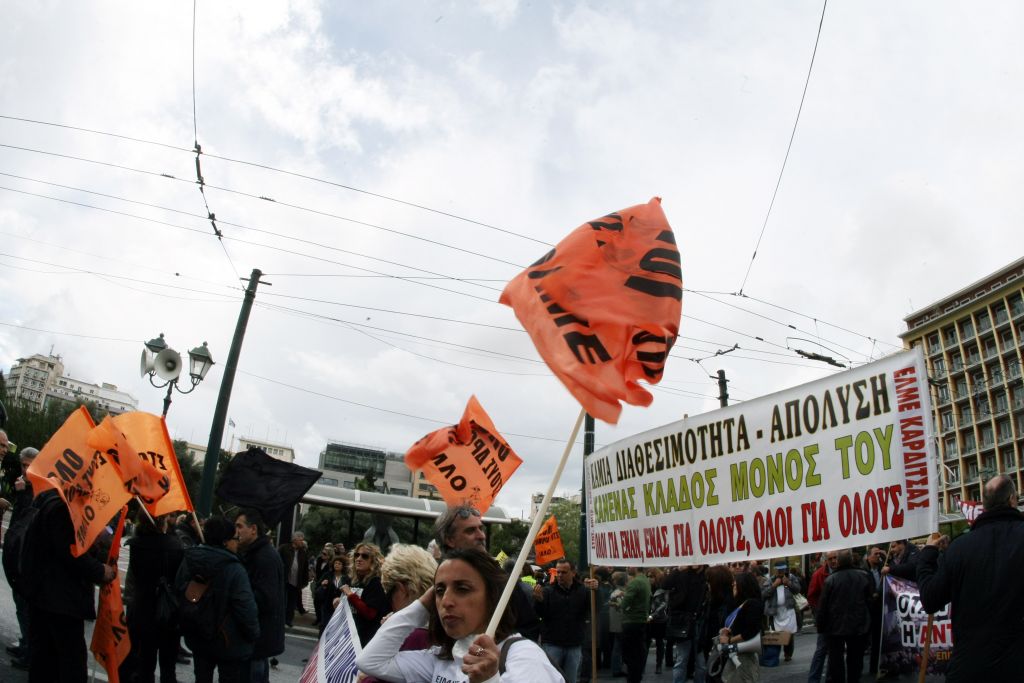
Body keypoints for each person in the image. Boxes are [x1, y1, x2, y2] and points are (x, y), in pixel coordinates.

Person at [356, 547, 563, 683]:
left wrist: (489, 679)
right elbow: (371, 661)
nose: (446, 601)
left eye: (462, 589)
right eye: (439, 591)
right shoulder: (442, 657)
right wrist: (423, 606)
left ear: (493, 597)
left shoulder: (524, 657)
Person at [918, 474, 1024, 680]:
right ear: (1012, 499)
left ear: (984, 505)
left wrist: (927, 555)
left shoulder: (959, 548)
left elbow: (930, 599)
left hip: (969, 668)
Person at [24, 487, 118, 682]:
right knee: (68, 664)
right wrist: (100, 571)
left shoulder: (58, 503)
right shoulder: (63, 508)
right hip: (60, 601)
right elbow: (71, 553)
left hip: (49, 598)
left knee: (45, 661)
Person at [433, 504, 540, 640]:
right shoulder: (436, 580)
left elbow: (528, 628)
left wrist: (493, 647)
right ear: (450, 539)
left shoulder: (501, 580)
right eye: (470, 531)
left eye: (481, 528)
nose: (481, 536)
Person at [176, 516, 260, 683]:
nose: (237, 542)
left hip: (197, 634)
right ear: (225, 542)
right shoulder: (234, 569)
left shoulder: (191, 559)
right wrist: (253, 634)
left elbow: (179, 590)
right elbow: (245, 607)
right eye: (235, 538)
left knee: (201, 677)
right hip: (227, 640)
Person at [121, 511, 185, 683]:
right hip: (168, 610)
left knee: (145, 662)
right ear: (162, 522)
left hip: (143, 608)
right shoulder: (175, 546)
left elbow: (135, 576)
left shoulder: (136, 545)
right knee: (168, 665)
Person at [362, 542, 439, 683]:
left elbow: (369, 666)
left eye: (388, 594)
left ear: (401, 589)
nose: (390, 604)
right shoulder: (444, 630)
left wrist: (365, 678)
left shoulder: (411, 637)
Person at [235, 509, 285, 683]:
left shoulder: (264, 557)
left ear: (253, 529)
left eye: (240, 526)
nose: (236, 531)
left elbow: (265, 599)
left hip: (257, 638)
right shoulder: (256, 553)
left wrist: (238, 596)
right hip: (256, 638)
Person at [2, 445, 37, 669]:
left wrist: (23, 493)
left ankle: (30, 652)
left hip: (26, 558)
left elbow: (28, 519)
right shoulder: (25, 485)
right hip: (16, 554)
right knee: (19, 603)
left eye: (29, 465)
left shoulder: (37, 488)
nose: (25, 470)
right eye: (23, 465)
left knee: (25, 607)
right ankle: (25, 643)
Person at [815, 549, 871, 683]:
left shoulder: (831, 580)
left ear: (838, 562)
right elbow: (869, 600)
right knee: (855, 659)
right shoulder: (864, 576)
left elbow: (823, 606)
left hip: (835, 626)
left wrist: (821, 626)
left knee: (836, 660)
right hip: (858, 625)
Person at [533, 558, 591, 683]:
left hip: (574, 643)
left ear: (573, 573)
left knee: (571, 679)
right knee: (551, 679)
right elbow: (541, 614)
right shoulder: (548, 590)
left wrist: (595, 591)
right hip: (552, 643)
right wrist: (539, 602)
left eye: (564, 572)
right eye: (558, 572)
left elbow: (594, 608)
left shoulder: (583, 590)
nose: (559, 575)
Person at [663, 564, 708, 683]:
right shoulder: (682, 574)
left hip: (700, 621)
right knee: (682, 659)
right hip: (683, 621)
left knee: (701, 663)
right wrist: (678, 569)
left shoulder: (708, 575)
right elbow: (665, 584)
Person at [715, 571, 762, 683]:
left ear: (743, 586)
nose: (733, 587)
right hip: (737, 652)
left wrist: (729, 640)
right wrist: (728, 631)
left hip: (744, 654)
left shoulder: (753, 604)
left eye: (735, 584)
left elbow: (750, 631)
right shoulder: (743, 603)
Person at [344, 542, 391, 646]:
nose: (359, 559)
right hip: (351, 636)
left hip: (367, 639)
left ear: (373, 561)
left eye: (364, 556)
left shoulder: (377, 583)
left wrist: (351, 596)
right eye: (357, 555)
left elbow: (370, 613)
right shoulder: (353, 580)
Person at [805, 550, 837, 683]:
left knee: (835, 651)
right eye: (831, 558)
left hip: (839, 618)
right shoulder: (819, 574)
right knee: (821, 649)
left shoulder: (842, 571)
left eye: (835, 558)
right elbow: (811, 596)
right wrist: (820, 612)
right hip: (826, 618)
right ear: (826, 560)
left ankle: (830, 678)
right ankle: (813, 679)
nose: (834, 561)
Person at [701, 565, 735, 683]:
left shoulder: (728, 604)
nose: (707, 584)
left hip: (721, 650)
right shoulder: (711, 600)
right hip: (711, 647)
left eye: (709, 581)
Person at [762, 561, 800, 662]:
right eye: (778, 570)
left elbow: (797, 589)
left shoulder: (791, 577)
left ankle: (788, 654)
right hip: (775, 612)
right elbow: (763, 594)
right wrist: (774, 585)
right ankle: (775, 654)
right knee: (775, 633)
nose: (780, 572)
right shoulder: (770, 580)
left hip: (788, 610)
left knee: (789, 633)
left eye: (782, 570)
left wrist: (788, 583)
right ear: (775, 570)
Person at [620, 566, 651, 683]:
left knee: (630, 656)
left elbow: (624, 604)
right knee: (638, 654)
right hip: (641, 621)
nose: (627, 567)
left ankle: (633, 679)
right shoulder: (645, 580)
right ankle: (636, 677)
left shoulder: (635, 582)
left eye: (630, 565)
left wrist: (618, 602)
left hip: (631, 622)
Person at [277, 531, 310, 628]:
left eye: (302, 540)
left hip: (296, 581)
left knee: (292, 602)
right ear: (294, 540)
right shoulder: (284, 548)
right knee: (283, 600)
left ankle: (288, 620)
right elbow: (277, 561)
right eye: (300, 540)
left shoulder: (303, 552)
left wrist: (304, 581)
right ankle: (280, 619)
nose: (302, 542)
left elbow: (305, 568)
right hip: (285, 579)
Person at [864, 545, 885, 676]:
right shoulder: (863, 571)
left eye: (879, 554)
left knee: (878, 639)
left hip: (880, 609)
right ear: (868, 557)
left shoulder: (883, 568)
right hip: (868, 610)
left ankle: (875, 666)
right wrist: (871, 597)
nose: (878, 556)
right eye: (875, 554)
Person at [646, 568, 671, 675]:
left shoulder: (663, 589)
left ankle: (659, 665)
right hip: (648, 618)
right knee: (646, 642)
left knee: (659, 642)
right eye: (648, 576)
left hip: (659, 619)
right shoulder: (647, 587)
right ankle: (643, 665)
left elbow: (664, 604)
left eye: (651, 576)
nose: (649, 578)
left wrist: (652, 615)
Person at [316, 557, 350, 633]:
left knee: (335, 625)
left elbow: (349, 589)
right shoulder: (327, 575)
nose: (337, 565)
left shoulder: (346, 578)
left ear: (343, 566)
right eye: (335, 563)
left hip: (339, 605)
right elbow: (318, 586)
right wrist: (322, 584)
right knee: (324, 624)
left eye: (339, 564)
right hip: (327, 603)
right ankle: (321, 638)